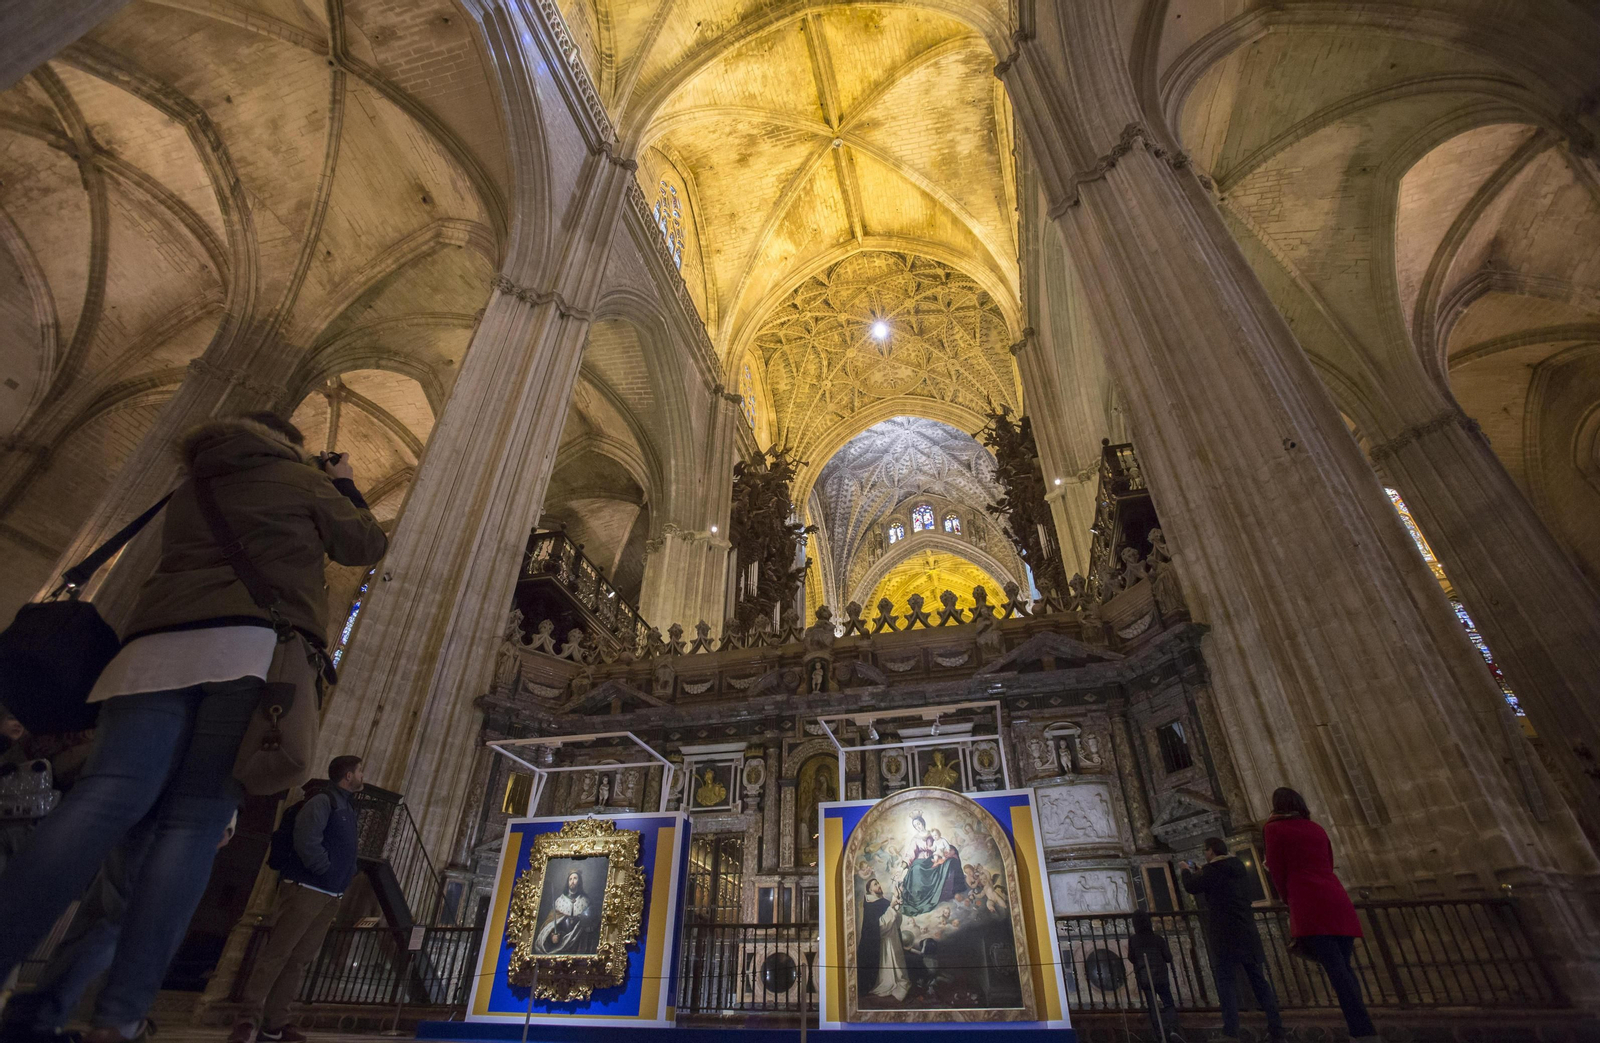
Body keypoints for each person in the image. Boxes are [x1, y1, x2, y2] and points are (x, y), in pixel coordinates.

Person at [0, 412, 387, 1043]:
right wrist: (341, 482)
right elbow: (365, 546)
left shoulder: (193, 486)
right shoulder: (297, 478)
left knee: (98, 804)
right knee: (193, 822)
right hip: (242, 656)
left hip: (145, 657)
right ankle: (119, 1016)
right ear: (289, 447)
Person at [14, 813, 238, 1042]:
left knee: (111, 912)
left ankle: (52, 1014)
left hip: (164, 810)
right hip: (180, 812)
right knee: (121, 915)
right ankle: (106, 1023)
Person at [229, 756, 366, 1043]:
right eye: (360, 770)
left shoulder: (347, 807)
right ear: (348, 775)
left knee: (299, 960)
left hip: (330, 894)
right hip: (307, 888)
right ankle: (247, 1019)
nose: (362, 775)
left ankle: (276, 1023)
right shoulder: (323, 800)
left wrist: (345, 876)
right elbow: (307, 838)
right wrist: (325, 870)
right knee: (276, 954)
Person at [1263, 787, 1377, 1041]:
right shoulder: (1315, 828)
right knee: (1344, 969)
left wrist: (1287, 898)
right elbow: (1328, 859)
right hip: (1337, 899)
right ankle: (1362, 1029)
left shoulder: (1274, 829)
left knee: (1337, 972)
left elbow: (1277, 871)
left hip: (1309, 903)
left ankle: (1363, 1031)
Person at [1180, 837, 1284, 1041]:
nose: (1205, 854)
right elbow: (1219, 879)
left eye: (1206, 850)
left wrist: (1185, 870)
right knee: (1259, 981)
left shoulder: (1212, 871)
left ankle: (1230, 1032)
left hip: (1225, 934)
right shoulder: (1238, 867)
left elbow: (1192, 886)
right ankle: (1277, 1030)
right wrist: (1205, 870)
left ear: (1210, 851)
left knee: (1226, 982)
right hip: (1247, 930)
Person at [1126, 910, 1184, 1042]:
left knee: (1153, 1006)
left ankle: (1159, 1033)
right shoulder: (1158, 939)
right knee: (1168, 1003)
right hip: (1161, 976)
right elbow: (1168, 957)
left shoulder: (1134, 940)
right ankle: (1173, 1030)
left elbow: (1131, 957)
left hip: (1145, 977)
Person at [858, 877, 909, 1001]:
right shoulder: (870, 905)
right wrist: (892, 907)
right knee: (887, 978)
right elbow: (879, 926)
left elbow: (896, 922)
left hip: (892, 939)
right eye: (875, 884)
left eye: (878, 882)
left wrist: (896, 907)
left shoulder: (884, 902)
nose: (879, 885)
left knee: (899, 972)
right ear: (870, 890)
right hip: (883, 944)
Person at [533, 869, 596, 955]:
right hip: (561, 942)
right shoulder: (560, 901)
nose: (572, 881)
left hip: (578, 943)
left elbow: (590, 925)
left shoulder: (585, 901)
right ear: (567, 882)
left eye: (575, 878)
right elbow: (549, 923)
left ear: (579, 881)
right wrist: (552, 935)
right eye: (570, 879)